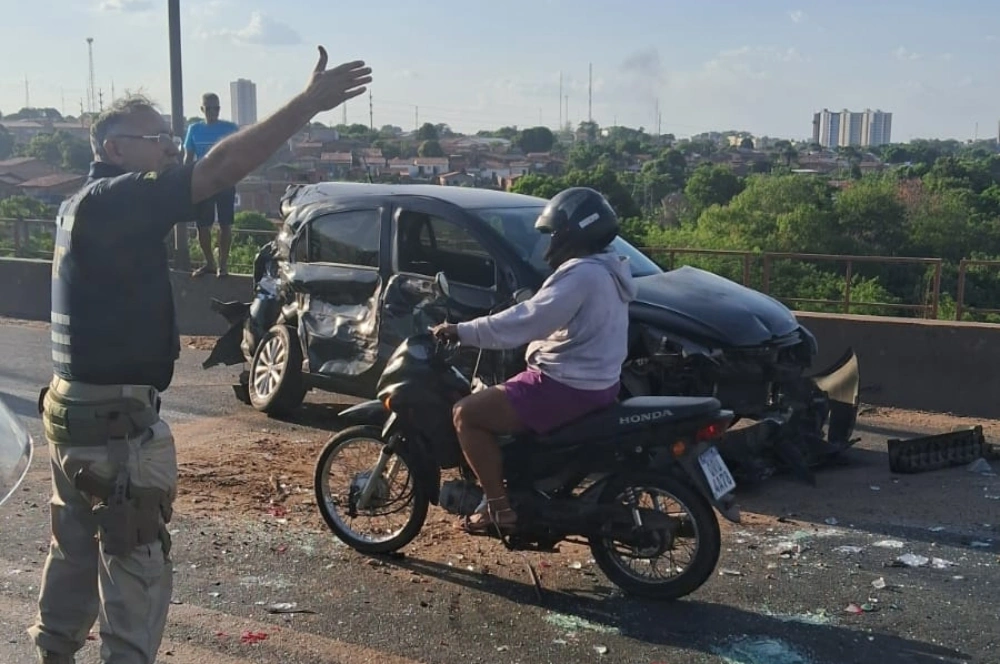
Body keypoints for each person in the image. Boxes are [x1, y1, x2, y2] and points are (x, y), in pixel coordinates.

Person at [28, 47, 371, 664]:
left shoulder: (78, 205)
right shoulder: (115, 199)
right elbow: (219, 170)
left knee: (73, 555)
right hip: (116, 431)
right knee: (133, 572)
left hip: (74, 419)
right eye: (155, 137)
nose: (167, 148)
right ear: (113, 148)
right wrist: (307, 104)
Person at [431, 187, 637, 535]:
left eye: (557, 232)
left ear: (575, 232)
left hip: (566, 384)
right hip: (599, 383)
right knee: (507, 393)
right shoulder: (610, 271)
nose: (552, 240)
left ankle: (497, 508)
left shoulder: (581, 274)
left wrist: (463, 331)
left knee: (466, 414)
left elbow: (529, 319)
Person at [182, 93, 240, 277]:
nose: (213, 112)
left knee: (225, 225)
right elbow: (188, 158)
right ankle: (209, 263)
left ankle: (223, 265)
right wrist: (186, 182)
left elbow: (240, 152)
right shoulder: (194, 129)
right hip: (203, 183)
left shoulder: (230, 128)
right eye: (209, 108)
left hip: (224, 182)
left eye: (216, 108)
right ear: (202, 110)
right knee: (203, 226)